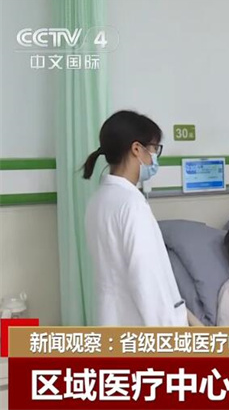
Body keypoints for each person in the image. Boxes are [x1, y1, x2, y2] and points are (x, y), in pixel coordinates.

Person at [83, 110, 187, 326]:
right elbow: (147, 279)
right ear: (137, 149)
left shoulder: (99, 200)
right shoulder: (132, 205)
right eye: (154, 149)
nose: (155, 157)